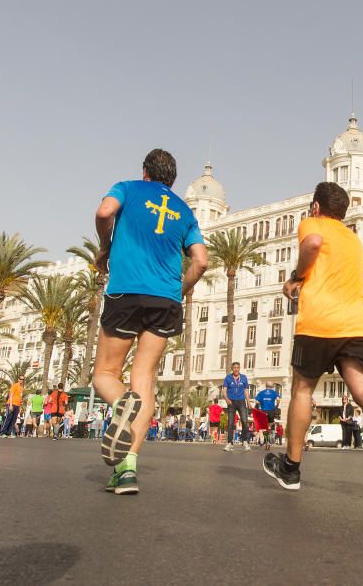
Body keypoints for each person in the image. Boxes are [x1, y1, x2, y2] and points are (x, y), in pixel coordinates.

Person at [262, 182, 363, 503]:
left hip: (319, 322)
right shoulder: (353, 239)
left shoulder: (313, 224)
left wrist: (295, 277)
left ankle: (291, 468)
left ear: (316, 207)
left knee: (302, 390)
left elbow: (314, 243)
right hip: (358, 324)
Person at [92, 148, 208, 495]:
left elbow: (104, 212)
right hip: (165, 300)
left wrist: (105, 245)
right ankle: (127, 470)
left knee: (105, 374)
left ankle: (119, 404)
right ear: (171, 180)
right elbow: (200, 261)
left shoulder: (127, 188)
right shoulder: (185, 211)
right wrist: (181, 289)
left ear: (145, 172)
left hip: (126, 293)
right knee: (144, 379)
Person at [223, 362, 251, 452]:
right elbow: (224, 390)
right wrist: (226, 399)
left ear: (239, 368)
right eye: (234, 367)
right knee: (231, 423)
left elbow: (246, 390)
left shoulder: (243, 378)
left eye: (237, 367)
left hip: (242, 401)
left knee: (245, 421)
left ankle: (245, 441)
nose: (236, 369)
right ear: (232, 368)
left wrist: (248, 402)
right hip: (231, 402)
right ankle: (230, 443)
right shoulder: (228, 378)